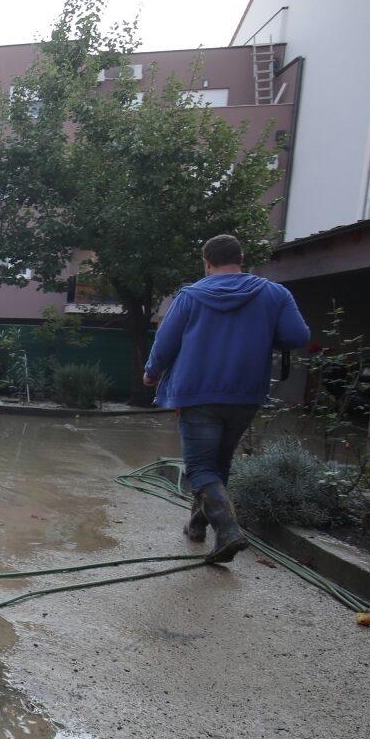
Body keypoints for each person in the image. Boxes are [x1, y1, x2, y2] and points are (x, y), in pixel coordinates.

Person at [143, 233, 311, 563]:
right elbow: (297, 335)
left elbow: (166, 342)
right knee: (219, 463)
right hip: (246, 392)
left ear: (207, 263)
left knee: (201, 467)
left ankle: (229, 532)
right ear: (241, 259)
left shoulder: (190, 296)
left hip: (197, 392)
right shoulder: (274, 294)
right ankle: (197, 526)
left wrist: (151, 372)